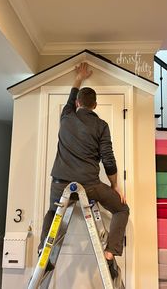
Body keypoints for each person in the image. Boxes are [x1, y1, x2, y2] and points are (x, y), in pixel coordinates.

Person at [39, 62, 129, 279]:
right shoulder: (101, 126)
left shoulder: (67, 115)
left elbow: (72, 95)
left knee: (53, 212)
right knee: (121, 210)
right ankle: (110, 252)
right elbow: (108, 158)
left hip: (60, 184)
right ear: (95, 106)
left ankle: (44, 251)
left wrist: (80, 77)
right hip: (89, 185)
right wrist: (114, 185)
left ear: (78, 103)